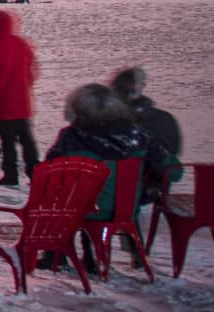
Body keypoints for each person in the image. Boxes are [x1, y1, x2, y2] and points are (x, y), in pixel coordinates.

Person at [44, 83, 182, 222]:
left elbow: (46, 176)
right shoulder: (138, 136)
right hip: (129, 208)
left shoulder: (71, 138)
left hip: (84, 209)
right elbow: (175, 173)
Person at [0, 10, 39, 186]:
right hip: (22, 101)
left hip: (2, 102)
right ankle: (34, 172)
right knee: (27, 140)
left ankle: (11, 174)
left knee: (7, 141)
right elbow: (31, 71)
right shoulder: (22, 44)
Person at [110, 67, 182, 205]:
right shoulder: (164, 119)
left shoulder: (106, 122)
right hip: (149, 188)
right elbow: (174, 172)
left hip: (119, 191)